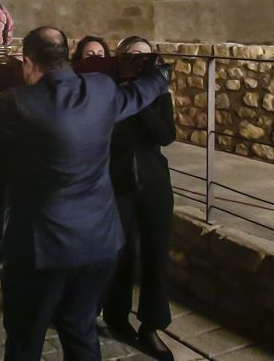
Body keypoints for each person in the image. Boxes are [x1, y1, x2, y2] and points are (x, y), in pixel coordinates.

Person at [0, 26, 170, 361]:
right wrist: (161, 74)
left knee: (26, 338)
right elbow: (142, 91)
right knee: (80, 330)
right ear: (66, 56)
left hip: (42, 249)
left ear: (27, 62)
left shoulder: (22, 102)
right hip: (99, 243)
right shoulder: (101, 90)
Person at [102, 36, 176, 361]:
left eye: (147, 58)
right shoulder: (107, 92)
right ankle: (116, 315)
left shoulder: (158, 94)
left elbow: (165, 136)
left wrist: (145, 95)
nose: (141, 62)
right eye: (134, 56)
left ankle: (152, 324)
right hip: (115, 182)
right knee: (120, 254)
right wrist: (129, 90)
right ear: (120, 59)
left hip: (154, 182)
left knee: (156, 254)